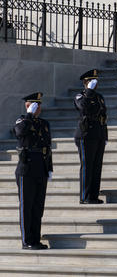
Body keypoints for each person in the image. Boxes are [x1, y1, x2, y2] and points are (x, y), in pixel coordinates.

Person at [14, 92, 52, 250]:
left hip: (41, 167)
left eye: (39, 105)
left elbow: (47, 147)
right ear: (28, 106)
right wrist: (29, 115)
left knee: (38, 207)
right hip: (26, 168)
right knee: (26, 206)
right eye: (35, 105)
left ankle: (35, 239)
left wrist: (49, 168)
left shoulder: (44, 123)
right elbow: (20, 132)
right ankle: (27, 241)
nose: (39, 108)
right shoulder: (22, 120)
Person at [74, 69, 108, 204]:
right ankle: (85, 196)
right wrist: (89, 91)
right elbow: (83, 107)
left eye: (96, 81)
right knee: (87, 166)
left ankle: (93, 195)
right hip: (85, 134)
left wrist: (105, 136)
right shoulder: (80, 96)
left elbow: (103, 116)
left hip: (98, 134)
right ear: (85, 82)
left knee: (97, 166)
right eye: (91, 81)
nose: (95, 83)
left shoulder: (99, 97)